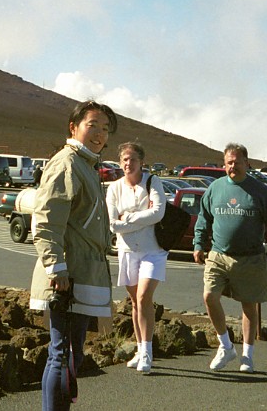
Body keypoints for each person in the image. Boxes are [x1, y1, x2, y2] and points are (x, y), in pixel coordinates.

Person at [29, 100, 118, 411]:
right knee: (62, 353)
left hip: (83, 272)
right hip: (67, 278)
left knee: (71, 354)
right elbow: (46, 220)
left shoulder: (86, 165)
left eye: (105, 128)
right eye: (92, 125)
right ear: (74, 127)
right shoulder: (67, 163)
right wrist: (57, 268)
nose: (99, 133)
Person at [192, 143, 267, 374]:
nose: (233, 166)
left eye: (237, 161)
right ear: (224, 164)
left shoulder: (260, 191)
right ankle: (225, 346)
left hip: (251, 258)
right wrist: (198, 244)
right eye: (229, 162)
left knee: (249, 306)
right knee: (209, 296)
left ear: (247, 163)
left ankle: (247, 355)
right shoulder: (215, 188)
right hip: (218, 255)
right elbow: (203, 218)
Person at [106, 141, 168, 374]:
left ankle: (148, 352)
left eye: (132, 159)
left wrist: (128, 218)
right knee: (134, 302)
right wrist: (140, 218)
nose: (128, 164)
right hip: (127, 251)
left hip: (153, 251)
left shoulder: (152, 182)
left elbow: (158, 213)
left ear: (141, 162)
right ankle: (140, 350)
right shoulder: (114, 188)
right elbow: (113, 225)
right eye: (124, 160)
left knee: (144, 298)